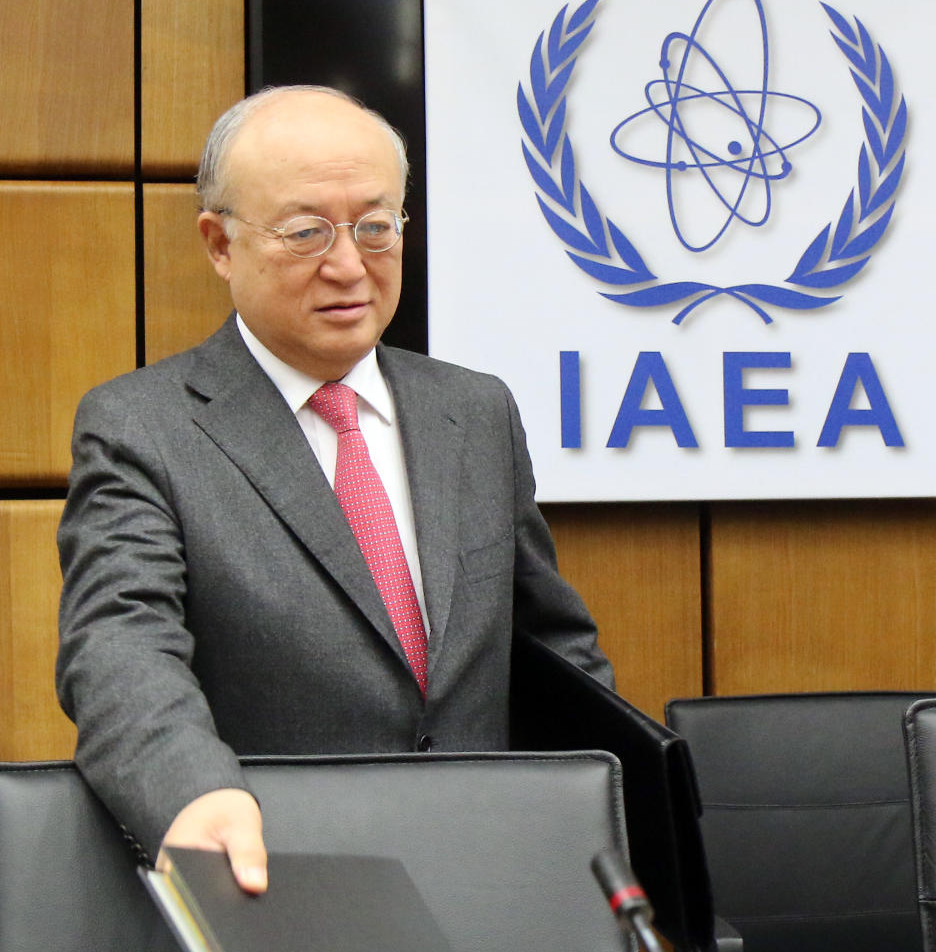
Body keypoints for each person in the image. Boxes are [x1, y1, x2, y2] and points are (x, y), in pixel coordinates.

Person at [56, 85, 613, 893]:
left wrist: (622, 817)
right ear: (219, 243)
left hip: (492, 885)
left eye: (376, 227)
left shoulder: (475, 410)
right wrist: (191, 792)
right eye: (306, 231)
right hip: (281, 887)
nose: (349, 265)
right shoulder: (142, 427)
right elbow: (119, 642)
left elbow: (550, 646)